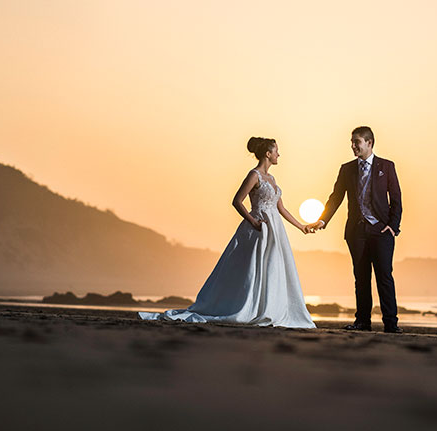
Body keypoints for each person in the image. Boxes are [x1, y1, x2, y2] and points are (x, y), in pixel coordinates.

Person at [138, 137, 316, 329]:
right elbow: (237, 201)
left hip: (275, 229)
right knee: (251, 269)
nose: (278, 154)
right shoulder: (254, 175)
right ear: (268, 153)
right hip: (258, 227)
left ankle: (270, 307)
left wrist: (301, 226)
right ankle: (246, 307)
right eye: (276, 151)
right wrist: (253, 221)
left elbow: (281, 208)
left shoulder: (272, 179)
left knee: (273, 267)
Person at [311, 126, 402, 333]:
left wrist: (393, 227)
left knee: (384, 276)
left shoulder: (387, 167)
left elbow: (396, 199)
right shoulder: (347, 169)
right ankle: (362, 322)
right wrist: (323, 220)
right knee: (361, 277)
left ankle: (391, 323)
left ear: (369, 143)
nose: (353, 146)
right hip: (356, 232)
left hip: (381, 231)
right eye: (352, 142)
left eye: (357, 142)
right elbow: (336, 197)